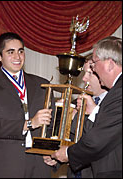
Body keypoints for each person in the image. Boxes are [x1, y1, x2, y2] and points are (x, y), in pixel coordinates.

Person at [0, 32, 55, 178]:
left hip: (40, 166)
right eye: (10, 52)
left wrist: (53, 153)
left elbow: (53, 124)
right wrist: (29, 124)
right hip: (6, 166)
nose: (17, 57)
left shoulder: (42, 84)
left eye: (21, 51)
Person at [49, 36, 122, 178]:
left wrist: (68, 153)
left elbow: (97, 140)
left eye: (94, 63)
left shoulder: (118, 93)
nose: (93, 69)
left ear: (110, 64)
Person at [43, 54, 108, 177]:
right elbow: (69, 142)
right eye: (84, 73)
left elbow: (100, 142)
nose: (84, 79)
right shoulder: (74, 104)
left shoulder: (114, 106)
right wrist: (55, 157)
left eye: (90, 73)